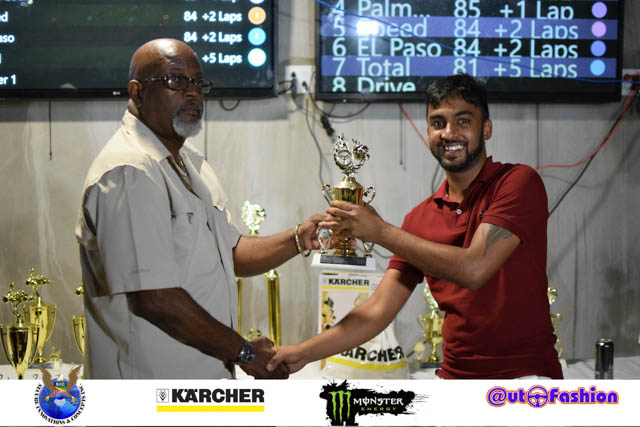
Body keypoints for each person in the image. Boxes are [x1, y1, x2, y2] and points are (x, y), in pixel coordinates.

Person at [267, 74, 563, 379]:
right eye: (438, 123)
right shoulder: (420, 219)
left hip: (527, 380)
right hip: (455, 379)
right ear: (428, 132)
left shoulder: (517, 183)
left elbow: (475, 268)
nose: (449, 133)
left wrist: (380, 231)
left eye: (463, 121)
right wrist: (302, 352)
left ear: (485, 129)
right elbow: (376, 312)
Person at [75, 38, 324, 379]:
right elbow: (155, 297)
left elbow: (230, 253)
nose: (192, 92)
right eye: (175, 80)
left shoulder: (190, 163)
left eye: (198, 82)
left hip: (201, 382)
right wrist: (245, 352)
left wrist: (299, 238)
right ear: (137, 92)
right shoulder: (129, 171)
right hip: (150, 389)